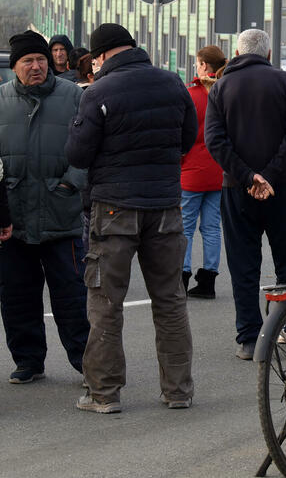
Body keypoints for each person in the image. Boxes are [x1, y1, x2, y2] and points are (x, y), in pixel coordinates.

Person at [66, 23, 198, 413]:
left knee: (106, 302)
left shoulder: (98, 92)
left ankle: (104, 393)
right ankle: (178, 391)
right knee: (170, 299)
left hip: (113, 208)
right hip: (166, 206)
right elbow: (188, 138)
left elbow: (78, 154)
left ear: (101, 55)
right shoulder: (172, 83)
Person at [204, 28, 286, 360]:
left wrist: (249, 177)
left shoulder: (221, 86)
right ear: (269, 54)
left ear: (236, 53)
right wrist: (270, 175)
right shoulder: (285, 82)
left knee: (244, 265)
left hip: (237, 188)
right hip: (283, 186)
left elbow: (215, 140)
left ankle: (249, 339)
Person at [0, 30, 89, 385]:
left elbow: (90, 146)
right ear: (14, 66)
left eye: (41, 59)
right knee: (17, 296)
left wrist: (71, 183)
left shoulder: (73, 96)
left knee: (71, 295)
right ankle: (28, 360)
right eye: (28, 61)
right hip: (14, 219)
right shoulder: (2, 100)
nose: (36, 66)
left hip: (61, 213)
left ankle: (86, 362)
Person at [181, 46, 227, 298]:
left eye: (198, 63)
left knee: (185, 228)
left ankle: (182, 276)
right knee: (211, 228)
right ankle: (208, 279)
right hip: (218, 170)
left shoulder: (191, 95)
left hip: (191, 171)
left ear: (204, 66)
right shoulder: (225, 93)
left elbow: (183, 135)